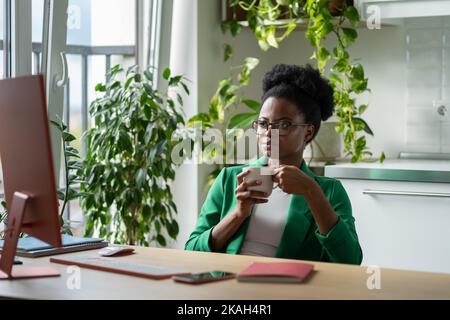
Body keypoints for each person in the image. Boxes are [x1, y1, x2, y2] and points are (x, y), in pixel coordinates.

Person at [185, 64, 362, 265]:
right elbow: (191, 250)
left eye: (284, 124)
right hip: (228, 288)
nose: (269, 133)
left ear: (308, 132)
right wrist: (238, 214)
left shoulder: (328, 191)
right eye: (262, 123)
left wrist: (311, 191)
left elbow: (350, 260)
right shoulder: (229, 179)